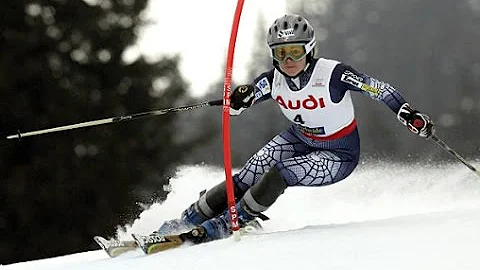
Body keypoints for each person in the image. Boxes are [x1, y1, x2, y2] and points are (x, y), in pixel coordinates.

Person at [145, 14, 434, 245]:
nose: (289, 61)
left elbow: (379, 89)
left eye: (295, 52)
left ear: (309, 50)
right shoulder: (272, 79)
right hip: (298, 139)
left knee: (281, 173)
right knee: (247, 175)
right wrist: (236, 101)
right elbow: (241, 103)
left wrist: (405, 112)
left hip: (339, 154)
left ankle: (228, 223)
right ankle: (186, 221)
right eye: (281, 53)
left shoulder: (333, 73)